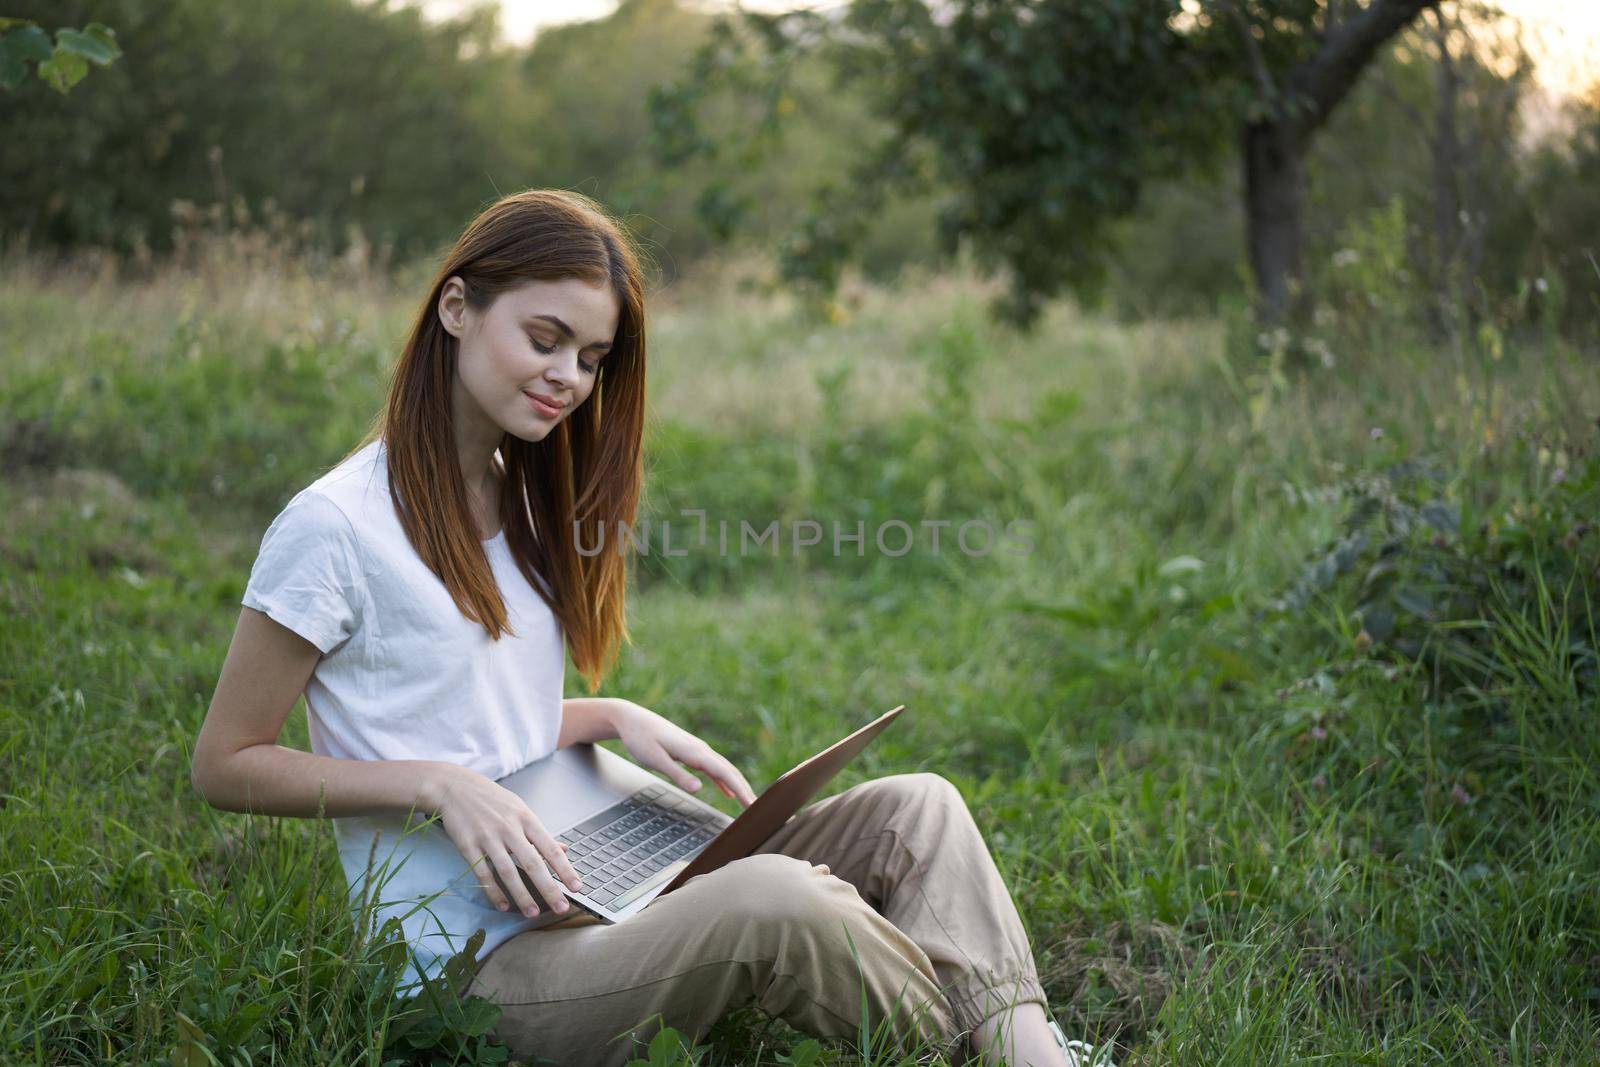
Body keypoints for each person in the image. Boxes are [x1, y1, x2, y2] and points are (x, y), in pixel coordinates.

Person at [191, 189, 1111, 1067]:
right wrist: (441, 786)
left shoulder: (518, 494)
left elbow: (452, 712)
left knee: (921, 807)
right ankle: (979, 1048)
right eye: (544, 340)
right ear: (458, 308)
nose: (567, 378)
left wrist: (606, 713)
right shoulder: (336, 528)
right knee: (776, 902)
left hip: (585, 881)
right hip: (480, 961)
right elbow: (226, 761)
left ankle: (1025, 1049)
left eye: (590, 359)